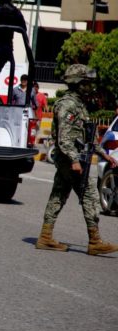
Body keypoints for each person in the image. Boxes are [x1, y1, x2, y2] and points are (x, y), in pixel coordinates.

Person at [35, 65, 118, 255]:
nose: (89, 87)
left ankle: (45, 236)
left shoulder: (79, 104)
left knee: (58, 195)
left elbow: (86, 136)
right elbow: (64, 138)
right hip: (72, 160)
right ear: (77, 83)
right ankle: (95, 241)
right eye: (86, 83)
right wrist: (74, 160)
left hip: (77, 158)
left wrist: (104, 154)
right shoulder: (68, 105)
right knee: (90, 196)